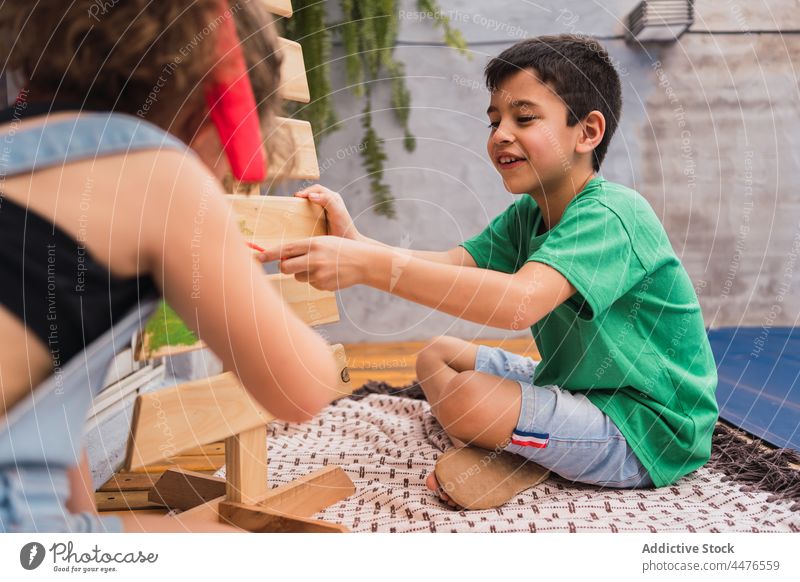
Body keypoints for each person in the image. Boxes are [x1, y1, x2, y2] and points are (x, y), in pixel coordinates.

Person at [261, 34, 719, 507]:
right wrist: (357, 246)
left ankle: (516, 449)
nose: (501, 133)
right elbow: (451, 265)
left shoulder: (612, 215)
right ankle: (515, 449)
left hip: (646, 431)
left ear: (587, 132)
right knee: (436, 356)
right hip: (577, 390)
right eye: (495, 120)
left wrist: (372, 267)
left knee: (467, 399)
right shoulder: (528, 215)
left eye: (524, 118)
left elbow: (519, 304)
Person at [0, 0, 340, 532]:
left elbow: (47, 414)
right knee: (231, 541)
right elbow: (301, 386)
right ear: (215, 102)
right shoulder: (158, 172)